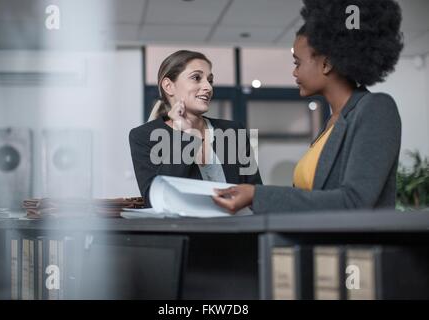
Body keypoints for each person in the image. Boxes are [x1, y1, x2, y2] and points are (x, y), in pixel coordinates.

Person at [213, 0, 403, 214]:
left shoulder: (376, 108)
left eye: (297, 63)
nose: (294, 73)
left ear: (326, 63)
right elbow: (312, 198)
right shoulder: (331, 123)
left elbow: (354, 202)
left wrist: (257, 195)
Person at [130, 50, 262, 207]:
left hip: (237, 229)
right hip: (183, 230)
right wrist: (187, 135)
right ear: (169, 86)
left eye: (210, 80)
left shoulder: (233, 131)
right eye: (196, 78)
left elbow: (256, 193)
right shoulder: (143, 136)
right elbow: (155, 199)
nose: (208, 87)